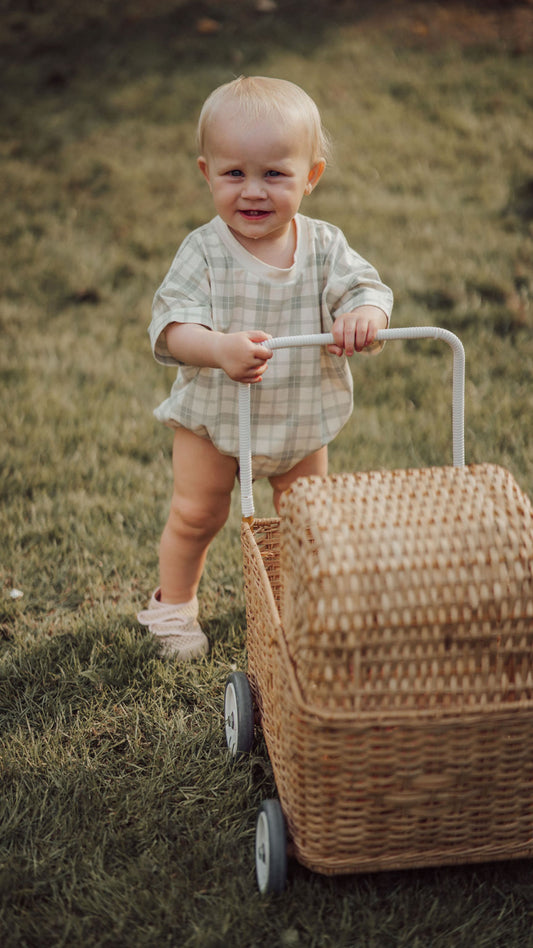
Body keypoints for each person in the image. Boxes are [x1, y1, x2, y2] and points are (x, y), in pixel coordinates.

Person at [137, 76, 393, 659]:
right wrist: (217, 348)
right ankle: (173, 608)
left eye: (274, 174)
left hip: (301, 416)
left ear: (312, 176)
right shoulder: (203, 250)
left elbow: (368, 289)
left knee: (307, 518)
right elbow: (172, 328)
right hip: (215, 419)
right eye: (234, 174)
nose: (253, 191)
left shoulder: (324, 245)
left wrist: (363, 315)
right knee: (198, 512)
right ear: (207, 173)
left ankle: (303, 600)